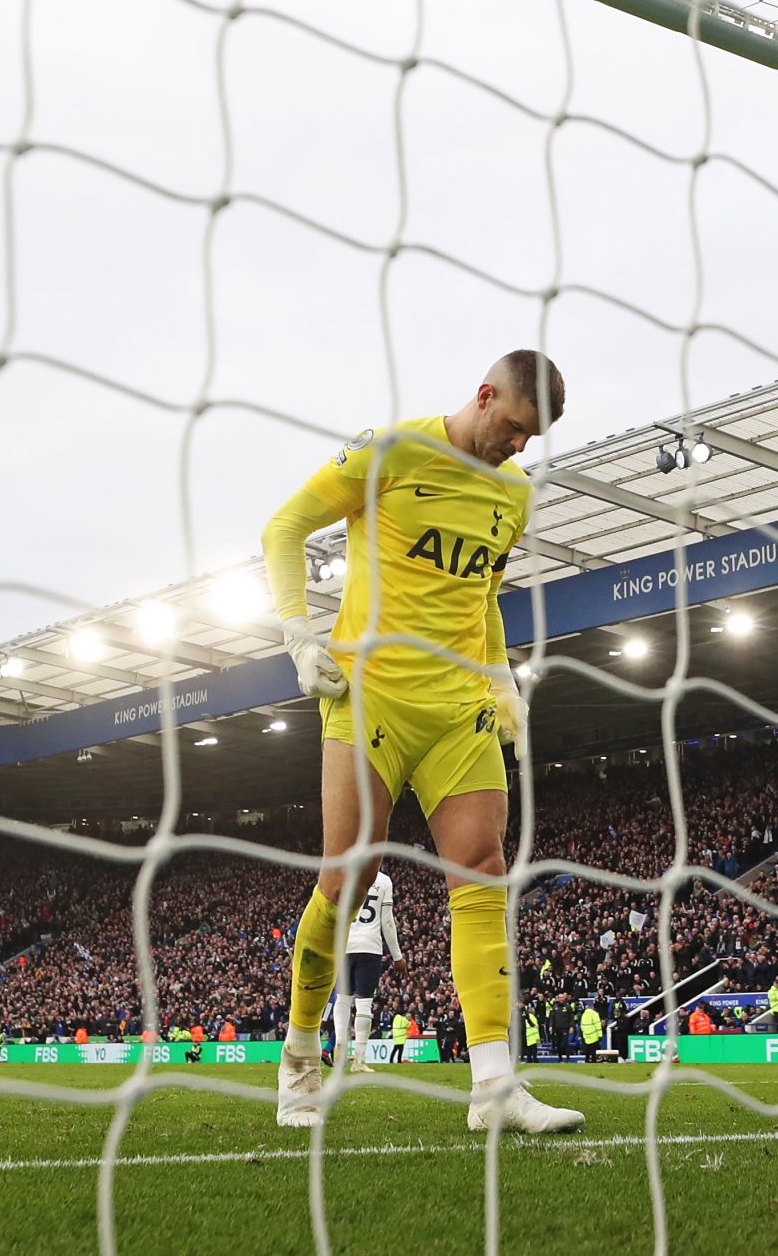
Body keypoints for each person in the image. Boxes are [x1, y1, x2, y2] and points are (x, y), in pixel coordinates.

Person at [263, 352, 583, 1134]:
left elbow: (483, 596)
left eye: (530, 438)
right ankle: (301, 1054)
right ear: (483, 395)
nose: (518, 448)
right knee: (349, 875)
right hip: (370, 696)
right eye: (513, 427)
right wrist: (299, 634)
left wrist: (501, 677)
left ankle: (496, 1087)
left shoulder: (514, 495)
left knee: (483, 868)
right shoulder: (391, 452)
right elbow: (285, 527)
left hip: (457, 707)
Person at [337, 865, 403, 1073]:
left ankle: (340, 1045)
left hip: (344, 945)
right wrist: (398, 956)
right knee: (364, 1004)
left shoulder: (343, 875)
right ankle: (359, 1060)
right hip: (370, 947)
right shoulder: (383, 881)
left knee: (343, 999)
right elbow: (386, 921)